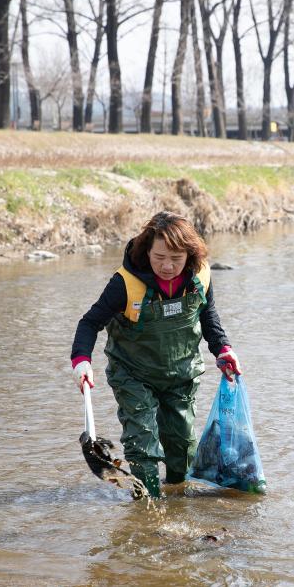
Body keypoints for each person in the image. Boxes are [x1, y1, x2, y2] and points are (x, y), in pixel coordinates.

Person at [70, 211, 242, 499]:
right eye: (159, 257)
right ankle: (146, 507)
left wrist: (223, 348)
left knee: (182, 447)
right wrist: (81, 361)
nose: (167, 266)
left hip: (181, 372)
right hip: (132, 375)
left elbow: (208, 315)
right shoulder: (125, 284)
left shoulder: (200, 276)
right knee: (143, 445)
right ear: (147, 251)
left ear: (189, 255)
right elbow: (89, 323)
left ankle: (176, 499)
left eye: (176, 258)